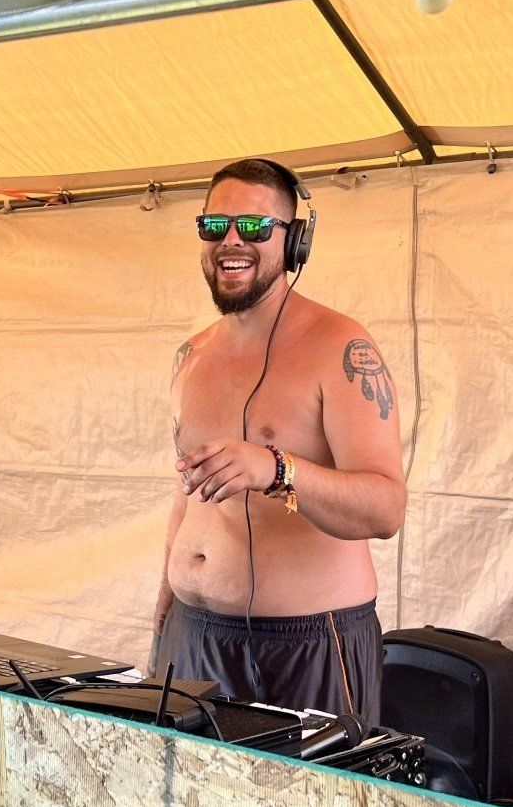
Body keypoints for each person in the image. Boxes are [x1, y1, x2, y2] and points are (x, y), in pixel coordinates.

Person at [154, 157, 406, 726]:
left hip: (307, 643)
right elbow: (187, 493)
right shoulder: (191, 355)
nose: (232, 240)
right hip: (194, 635)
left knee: (309, 791)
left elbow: (386, 508)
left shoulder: (341, 346)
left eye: (254, 225)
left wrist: (277, 469)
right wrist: (165, 607)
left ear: (295, 241)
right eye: (215, 226)